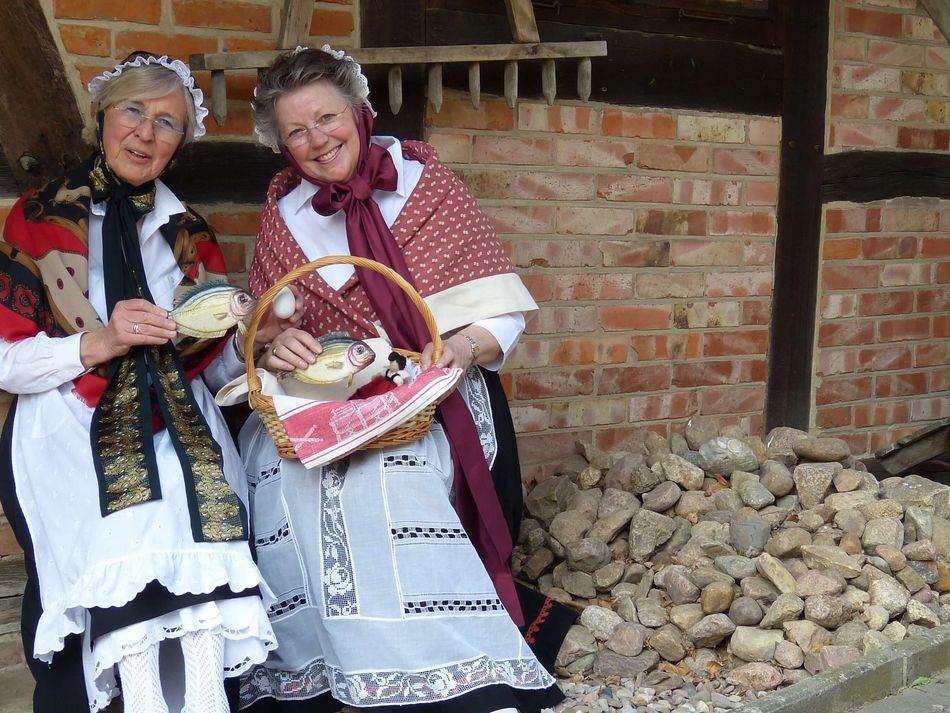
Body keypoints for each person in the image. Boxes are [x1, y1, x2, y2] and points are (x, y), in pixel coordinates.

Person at [236, 46, 565, 712]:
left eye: (326, 118)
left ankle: (430, 667)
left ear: (359, 110)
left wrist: (465, 348)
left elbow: (499, 311)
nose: (316, 140)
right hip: (333, 393)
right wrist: (279, 346)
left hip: (436, 385)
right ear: (281, 144)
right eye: (296, 132)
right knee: (280, 471)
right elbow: (269, 331)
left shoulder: (424, 183)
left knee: (380, 482)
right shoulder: (284, 211)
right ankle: (324, 669)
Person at [0, 52, 286, 713]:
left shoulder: (187, 234)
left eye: (167, 123)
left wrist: (254, 347)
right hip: (68, 415)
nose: (146, 133)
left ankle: (206, 694)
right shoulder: (39, 219)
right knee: (135, 510)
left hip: (175, 414)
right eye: (134, 111)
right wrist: (100, 340)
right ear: (102, 115)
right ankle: (146, 698)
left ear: (179, 142)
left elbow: (211, 364)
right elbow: (8, 361)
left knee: (192, 486)